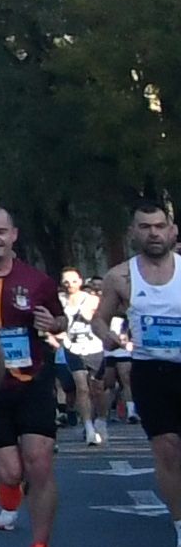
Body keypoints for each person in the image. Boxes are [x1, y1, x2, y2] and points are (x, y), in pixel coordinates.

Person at [0, 205, 64, 547]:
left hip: (32, 380)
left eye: (0, 231)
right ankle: (8, 487)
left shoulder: (37, 280)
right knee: (9, 471)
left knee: (39, 462)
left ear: (13, 235)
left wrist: (52, 323)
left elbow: (59, 319)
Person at [118, 202, 181, 507]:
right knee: (166, 447)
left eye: (159, 226)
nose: (153, 233)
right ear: (133, 232)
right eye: (145, 227)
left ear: (172, 231)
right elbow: (100, 318)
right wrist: (108, 335)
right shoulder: (120, 276)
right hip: (149, 371)